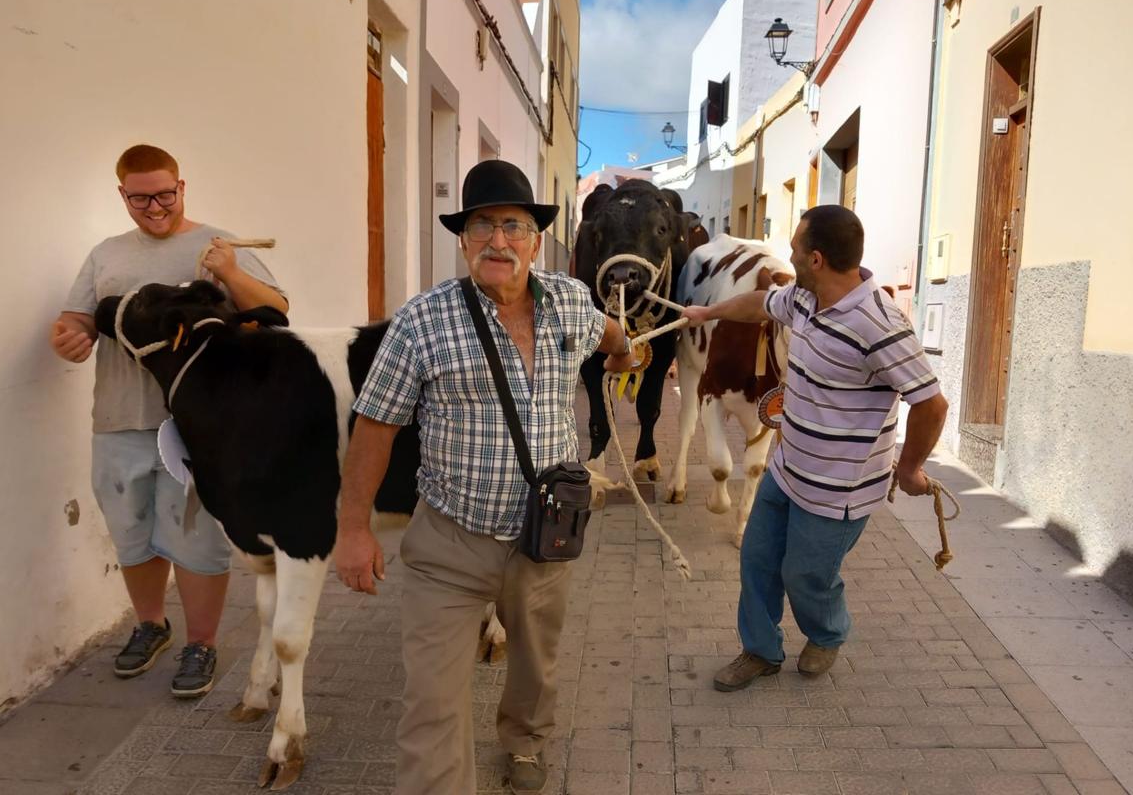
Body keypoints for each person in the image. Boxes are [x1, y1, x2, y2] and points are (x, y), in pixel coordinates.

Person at [334, 159, 637, 794]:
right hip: (450, 542)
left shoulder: (570, 304)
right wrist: (353, 528)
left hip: (546, 534)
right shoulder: (422, 322)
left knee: (535, 664)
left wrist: (624, 353)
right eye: (481, 227)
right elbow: (375, 427)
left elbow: (614, 337)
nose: (498, 241)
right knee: (431, 708)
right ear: (463, 239)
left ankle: (525, 741)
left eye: (512, 225)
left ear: (534, 238)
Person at [50, 144, 287, 698]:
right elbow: (73, 320)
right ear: (122, 196)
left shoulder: (218, 245)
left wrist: (229, 271)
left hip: (201, 427)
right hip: (117, 418)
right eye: (140, 197)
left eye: (164, 194)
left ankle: (201, 645)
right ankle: (151, 626)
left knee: (198, 537)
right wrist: (68, 340)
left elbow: (276, 310)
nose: (154, 206)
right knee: (132, 534)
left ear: (183, 187)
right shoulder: (105, 254)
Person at [680, 205, 948, 688]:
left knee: (806, 576)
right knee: (758, 560)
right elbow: (759, 303)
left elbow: (931, 403)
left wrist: (909, 469)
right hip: (787, 469)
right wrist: (709, 311)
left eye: (796, 248)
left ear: (817, 259)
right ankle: (760, 650)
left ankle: (827, 633)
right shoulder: (803, 300)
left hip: (838, 490)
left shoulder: (879, 324)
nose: (789, 255)